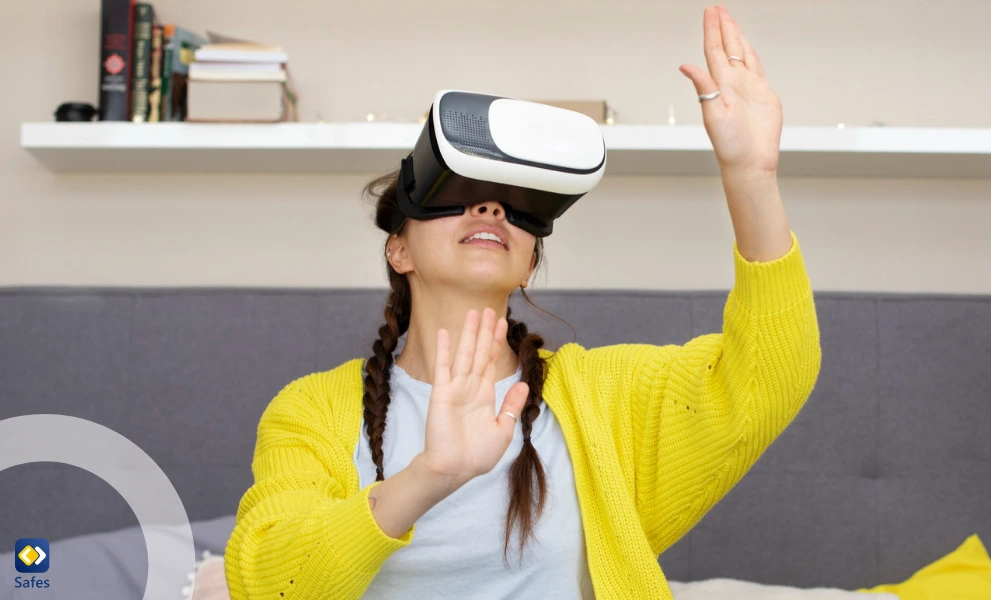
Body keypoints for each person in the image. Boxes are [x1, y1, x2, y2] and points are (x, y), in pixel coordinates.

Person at [224, 5, 821, 599]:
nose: (490, 210)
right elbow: (267, 583)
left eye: (516, 205)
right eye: (457, 192)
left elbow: (766, 376)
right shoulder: (310, 412)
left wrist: (750, 173)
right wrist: (430, 475)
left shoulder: (603, 398)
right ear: (398, 250)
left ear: (529, 261)